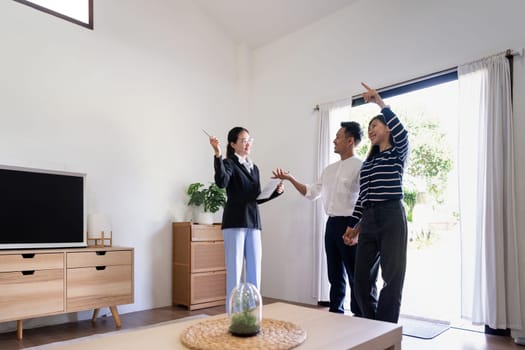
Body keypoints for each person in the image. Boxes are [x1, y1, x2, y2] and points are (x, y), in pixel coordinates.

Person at [272, 121, 364, 315]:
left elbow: (365, 200)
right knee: (334, 273)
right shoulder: (329, 169)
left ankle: (360, 315)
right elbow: (312, 193)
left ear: (350, 141)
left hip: (351, 224)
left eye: (338, 137)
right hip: (331, 224)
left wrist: (357, 229)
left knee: (356, 274)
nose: (334, 140)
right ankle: (335, 312)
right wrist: (290, 178)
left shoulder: (361, 167)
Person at [343, 82, 409, 323]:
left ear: (388, 129)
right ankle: (372, 325)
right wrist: (353, 226)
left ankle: (386, 329)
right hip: (369, 219)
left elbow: (403, 133)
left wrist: (380, 103)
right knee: (361, 279)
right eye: (369, 127)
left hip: (392, 215)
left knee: (392, 278)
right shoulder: (369, 163)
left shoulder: (398, 153)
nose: (370, 130)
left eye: (375, 125)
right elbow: (363, 197)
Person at [209, 126, 284, 311]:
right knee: (235, 271)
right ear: (233, 144)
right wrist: (217, 155)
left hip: (254, 222)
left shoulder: (254, 168)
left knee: (254, 270)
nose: (248, 143)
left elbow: (255, 198)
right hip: (235, 222)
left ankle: (252, 313)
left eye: (249, 139)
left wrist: (275, 192)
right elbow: (221, 182)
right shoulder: (228, 163)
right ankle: (233, 314)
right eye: (243, 140)